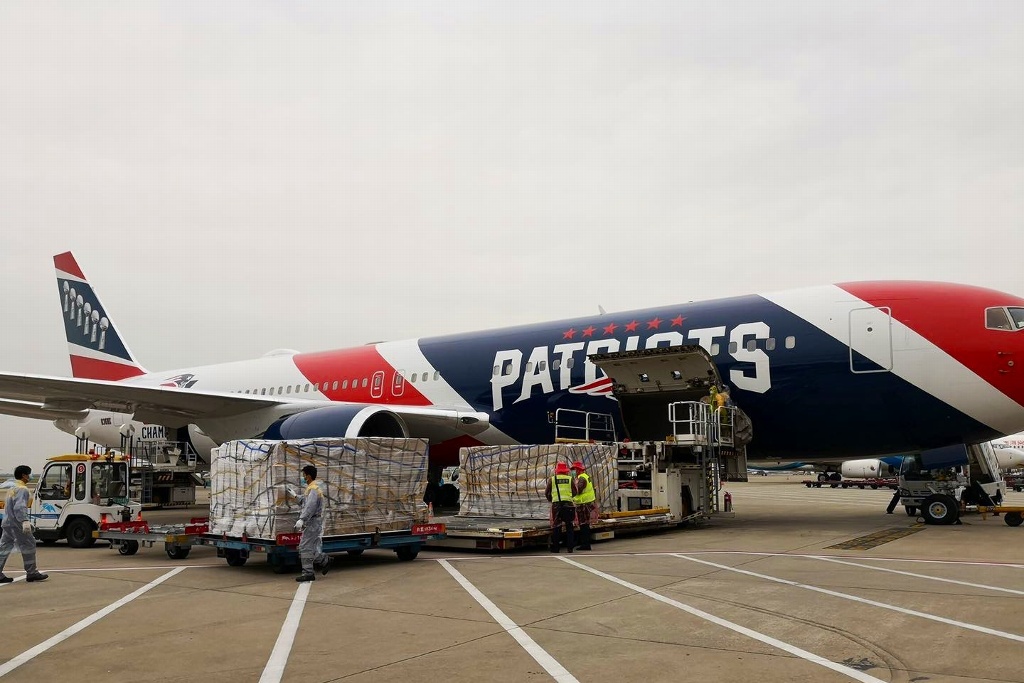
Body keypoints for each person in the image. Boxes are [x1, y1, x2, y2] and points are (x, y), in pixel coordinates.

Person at [0, 465, 48, 583]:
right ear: (24, 475)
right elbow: (20, 507)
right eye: (29, 473)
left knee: (4, 548)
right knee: (29, 545)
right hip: (16, 524)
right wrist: (24, 521)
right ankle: (31, 573)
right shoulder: (22, 489)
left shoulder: (12, 488)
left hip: (7, 523)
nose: (31, 475)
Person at [293, 465, 331, 582]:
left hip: (313, 522)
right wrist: (295, 496)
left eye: (304, 475)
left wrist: (302, 519)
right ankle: (325, 560)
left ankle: (308, 573)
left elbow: (310, 506)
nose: (302, 477)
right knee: (309, 547)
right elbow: (305, 502)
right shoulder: (311, 488)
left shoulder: (313, 489)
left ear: (308, 476)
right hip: (313, 522)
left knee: (304, 547)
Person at [545, 462, 581, 553]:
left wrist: (551, 499)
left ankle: (556, 548)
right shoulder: (570, 479)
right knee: (569, 527)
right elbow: (575, 492)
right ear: (565, 471)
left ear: (557, 471)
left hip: (556, 505)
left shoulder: (552, 479)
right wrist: (569, 496)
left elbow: (547, 492)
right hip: (568, 504)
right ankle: (570, 548)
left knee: (556, 527)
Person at [570, 461, 597, 551]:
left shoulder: (581, 478)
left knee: (584, 525)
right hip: (587, 503)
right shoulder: (585, 476)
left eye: (574, 469)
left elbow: (578, 490)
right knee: (585, 524)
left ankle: (585, 544)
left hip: (584, 504)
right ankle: (585, 543)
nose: (573, 471)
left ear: (578, 469)